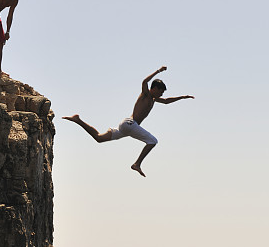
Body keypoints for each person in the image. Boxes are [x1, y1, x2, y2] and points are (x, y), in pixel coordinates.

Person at [63, 66, 194, 177]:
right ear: (154, 88)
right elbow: (144, 81)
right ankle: (137, 164)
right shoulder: (146, 94)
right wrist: (158, 71)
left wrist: (182, 97)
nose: (161, 95)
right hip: (130, 124)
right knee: (153, 141)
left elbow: (166, 101)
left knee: (99, 138)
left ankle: (77, 120)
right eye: (160, 92)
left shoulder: (153, 99)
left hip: (127, 127)